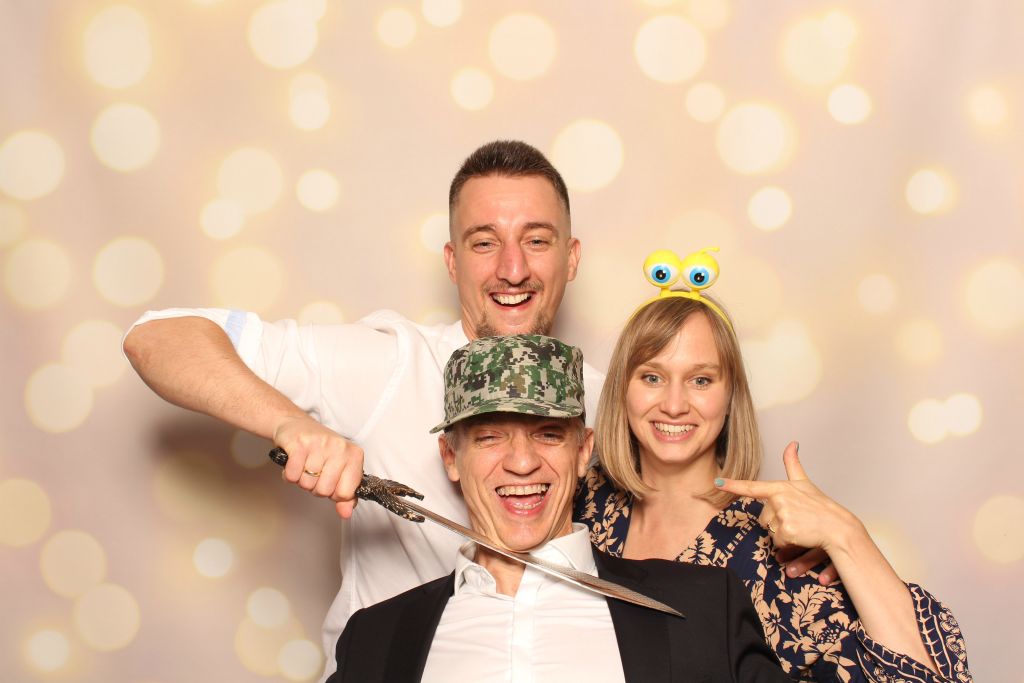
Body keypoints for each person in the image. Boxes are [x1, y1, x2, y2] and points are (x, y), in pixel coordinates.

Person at [122, 140, 604, 678]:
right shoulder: (386, 364)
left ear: (571, 257)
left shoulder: (608, 403)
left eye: (536, 240)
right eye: (484, 243)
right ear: (452, 261)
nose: (512, 269)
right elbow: (156, 338)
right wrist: (290, 423)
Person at [574, 268, 973, 682]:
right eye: (653, 377)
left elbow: (925, 676)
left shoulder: (778, 553)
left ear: (730, 394)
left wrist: (846, 535)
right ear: (623, 387)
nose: (674, 404)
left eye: (701, 380)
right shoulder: (582, 503)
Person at [329, 334, 789, 683]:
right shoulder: (374, 637)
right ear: (451, 457)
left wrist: (833, 540)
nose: (522, 462)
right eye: (490, 436)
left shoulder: (702, 607)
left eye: (548, 434)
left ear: (583, 451)